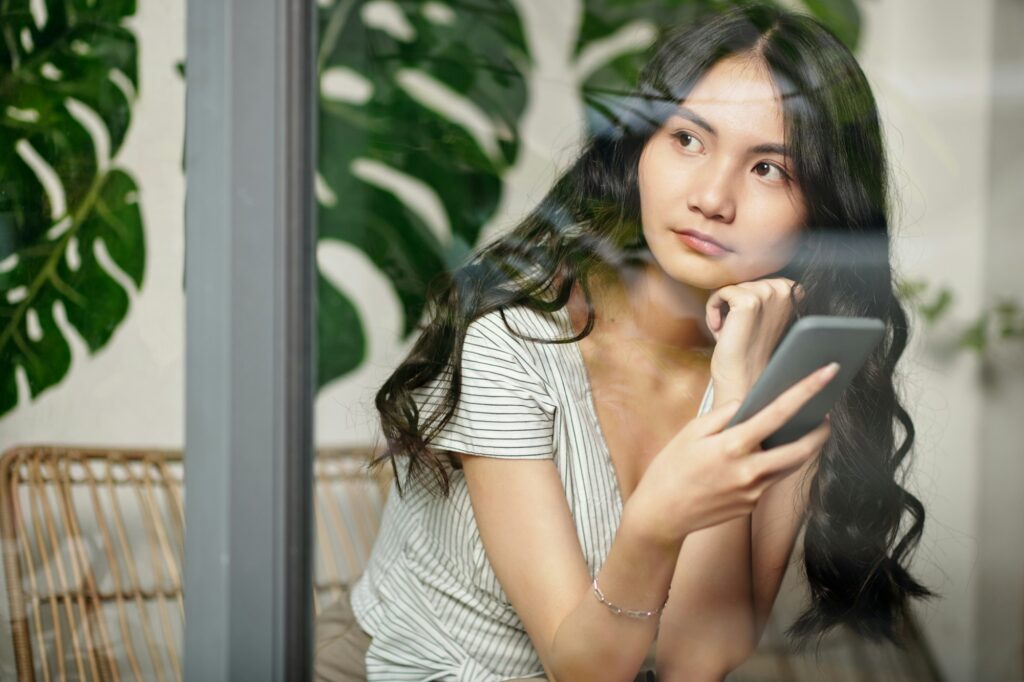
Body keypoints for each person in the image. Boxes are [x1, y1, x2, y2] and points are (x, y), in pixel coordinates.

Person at [314, 3, 937, 681]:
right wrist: (657, 520)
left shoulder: (791, 369)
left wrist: (735, 399)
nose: (712, 197)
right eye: (688, 140)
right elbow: (582, 669)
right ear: (640, 145)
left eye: (768, 170)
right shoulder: (511, 338)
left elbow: (695, 663)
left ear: (822, 211)